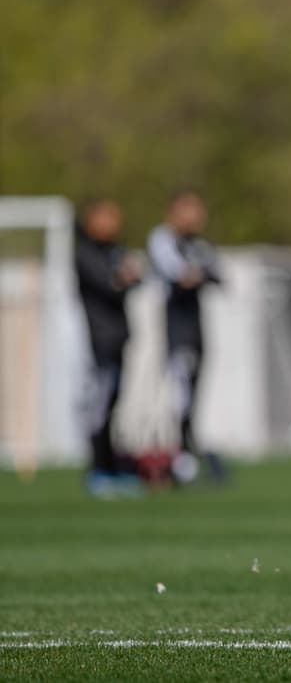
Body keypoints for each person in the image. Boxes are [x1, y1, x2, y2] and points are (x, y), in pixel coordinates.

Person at [147, 189, 224, 484]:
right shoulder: (163, 239)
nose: (197, 217)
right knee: (177, 392)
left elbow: (215, 275)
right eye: (190, 210)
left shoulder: (198, 244)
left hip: (195, 325)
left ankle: (186, 452)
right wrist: (195, 274)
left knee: (192, 390)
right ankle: (174, 456)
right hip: (174, 326)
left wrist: (199, 274)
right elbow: (180, 274)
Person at [74, 199, 143, 497]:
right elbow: (111, 284)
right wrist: (123, 279)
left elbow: (131, 279)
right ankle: (98, 471)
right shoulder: (85, 253)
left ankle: (112, 468)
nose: (114, 223)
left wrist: (127, 278)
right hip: (98, 340)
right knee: (99, 407)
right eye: (106, 217)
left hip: (117, 339)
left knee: (112, 405)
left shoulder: (114, 250)